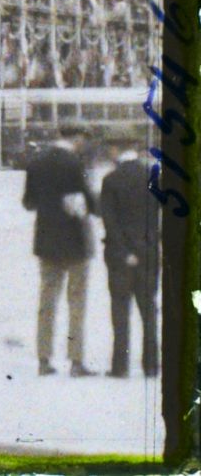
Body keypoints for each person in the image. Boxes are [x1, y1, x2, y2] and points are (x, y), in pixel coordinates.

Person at [22, 130, 97, 376]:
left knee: (47, 301)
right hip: (75, 242)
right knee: (76, 302)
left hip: (46, 242)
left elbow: (28, 203)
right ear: (77, 139)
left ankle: (43, 360)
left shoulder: (36, 162)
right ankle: (75, 361)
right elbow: (91, 202)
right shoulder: (76, 163)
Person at [99, 138, 159, 378]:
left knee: (120, 310)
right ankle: (151, 364)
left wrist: (125, 251)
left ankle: (120, 366)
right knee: (149, 310)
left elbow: (109, 221)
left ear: (115, 149)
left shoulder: (110, 179)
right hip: (148, 252)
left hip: (119, 255)